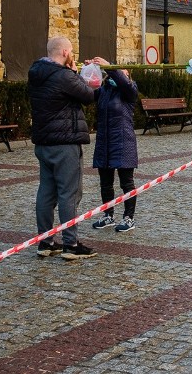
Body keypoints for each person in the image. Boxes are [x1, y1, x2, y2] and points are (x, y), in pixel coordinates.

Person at [28, 36, 98, 260]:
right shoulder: (64, 76)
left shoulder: (36, 73)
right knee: (70, 193)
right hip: (65, 143)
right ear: (66, 52)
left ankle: (45, 241)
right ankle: (71, 244)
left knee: (46, 193)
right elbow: (89, 95)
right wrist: (78, 73)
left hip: (44, 143)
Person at [89, 58, 140, 233]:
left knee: (127, 183)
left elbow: (123, 83)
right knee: (105, 183)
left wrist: (110, 66)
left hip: (123, 142)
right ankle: (108, 215)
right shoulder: (104, 91)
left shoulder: (129, 91)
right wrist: (89, 68)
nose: (120, 74)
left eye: (123, 71)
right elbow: (85, 91)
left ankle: (129, 218)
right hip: (104, 142)